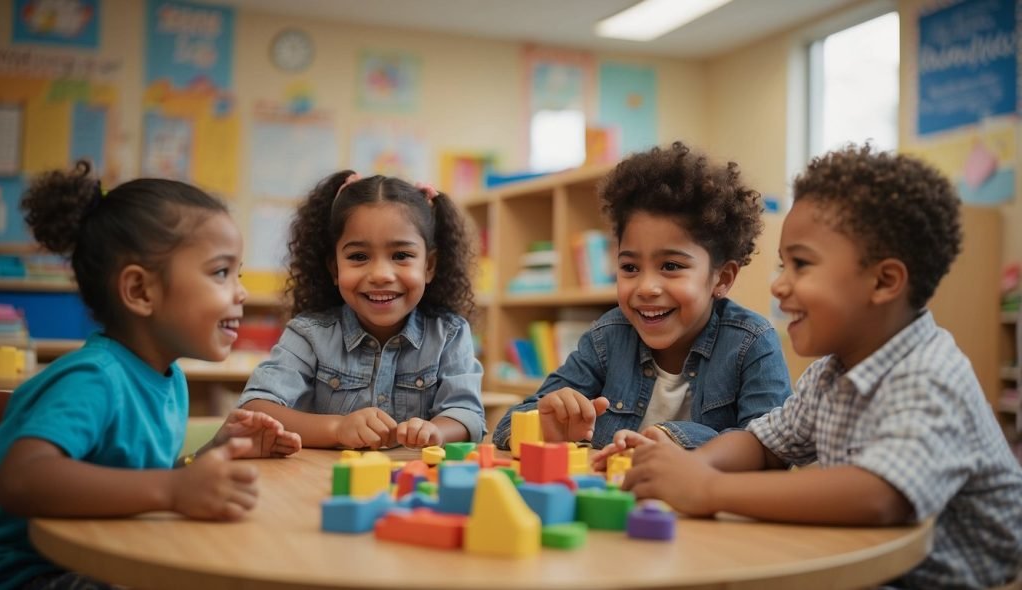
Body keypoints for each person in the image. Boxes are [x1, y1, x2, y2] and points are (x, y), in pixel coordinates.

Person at [601, 145, 1022, 588]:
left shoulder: (931, 374)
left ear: (883, 281)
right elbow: (763, 444)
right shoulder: (830, 373)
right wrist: (678, 468)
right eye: (784, 264)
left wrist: (707, 489)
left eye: (801, 264)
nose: (779, 284)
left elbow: (880, 495)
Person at [0, 161, 302, 590]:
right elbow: (21, 479)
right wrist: (175, 489)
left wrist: (209, 455)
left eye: (238, 272)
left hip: (95, 558)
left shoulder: (167, 377)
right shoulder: (94, 379)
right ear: (141, 291)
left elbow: (128, 476)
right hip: (36, 573)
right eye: (220, 272)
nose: (241, 291)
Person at [493, 141, 791, 450]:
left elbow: (771, 446)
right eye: (630, 267)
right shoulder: (607, 338)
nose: (646, 287)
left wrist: (672, 438)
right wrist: (545, 421)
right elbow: (510, 424)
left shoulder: (752, 343)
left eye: (671, 266)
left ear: (722, 278)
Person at [239, 171, 486, 450]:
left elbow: (468, 415)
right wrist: (337, 428)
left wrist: (436, 431)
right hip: (320, 482)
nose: (381, 274)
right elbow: (255, 409)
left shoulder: (449, 334)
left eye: (401, 256)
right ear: (335, 267)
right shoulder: (309, 334)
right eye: (359, 257)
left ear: (429, 266)